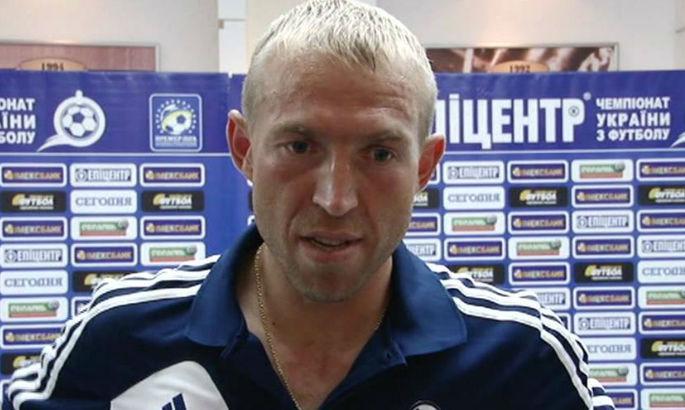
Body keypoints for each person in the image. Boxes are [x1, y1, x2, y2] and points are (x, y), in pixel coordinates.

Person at [4, 1, 615, 409]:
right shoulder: (115, 340)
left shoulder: (522, 359)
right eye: (300, 146)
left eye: (380, 153)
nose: (335, 198)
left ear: (424, 167)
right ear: (244, 148)